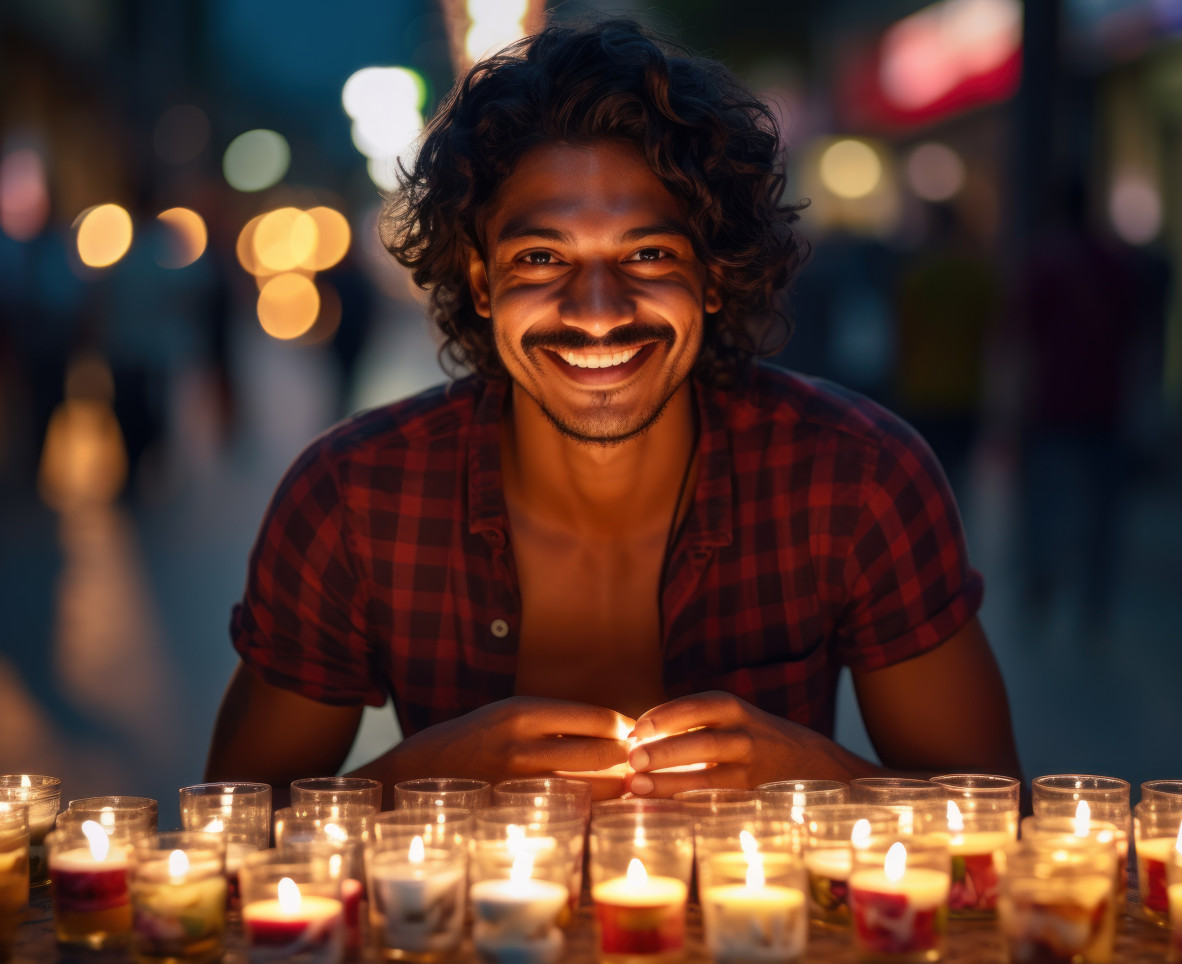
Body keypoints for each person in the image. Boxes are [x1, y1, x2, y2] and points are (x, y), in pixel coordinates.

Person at [204, 20, 1021, 804]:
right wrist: (429, 782)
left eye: (648, 254)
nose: (597, 312)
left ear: (713, 275)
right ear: (483, 284)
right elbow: (236, 829)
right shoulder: (355, 499)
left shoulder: (857, 477)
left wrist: (807, 781)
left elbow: (998, 818)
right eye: (541, 258)